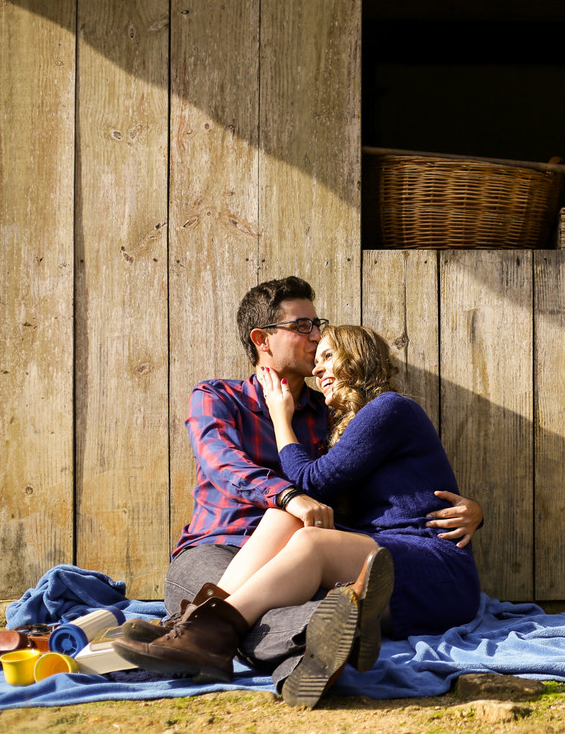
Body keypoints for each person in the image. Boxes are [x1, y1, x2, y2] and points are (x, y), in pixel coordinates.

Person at [131, 277, 482, 704]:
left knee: (257, 597)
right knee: (255, 603)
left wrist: (473, 511)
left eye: (320, 327)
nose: (315, 339)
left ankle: (206, 640)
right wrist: (287, 495)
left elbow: (368, 490)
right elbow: (223, 464)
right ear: (262, 339)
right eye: (303, 327)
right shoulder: (218, 397)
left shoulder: (332, 417)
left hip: (297, 554)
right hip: (218, 546)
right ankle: (314, 650)